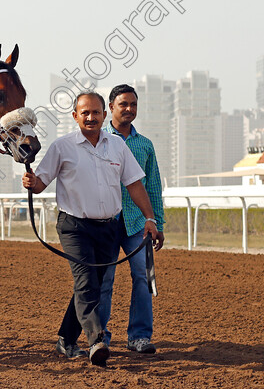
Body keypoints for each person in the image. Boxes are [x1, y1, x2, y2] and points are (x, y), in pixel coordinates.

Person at [22, 92, 164, 367]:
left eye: (95, 112)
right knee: (87, 282)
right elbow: (41, 183)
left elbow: (135, 184)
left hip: (108, 227)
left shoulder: (118, 147)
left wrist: (151, 218)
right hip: (74, 226)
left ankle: (65, 339)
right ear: (75, 116)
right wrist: (32, 182)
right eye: (84, 113)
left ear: (103, 114)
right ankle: (95, 340)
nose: (90, 117)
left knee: (93, 286)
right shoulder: (62, 146)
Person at [99, 84, 165, 353]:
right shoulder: (98, 139)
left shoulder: (145, 144)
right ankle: (99, 336)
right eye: (123, 104)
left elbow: (153, 187)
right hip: (105, 223)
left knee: (145, 278)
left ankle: (140, 337)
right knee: (104, 280)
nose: (129, 109)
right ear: (111, 107)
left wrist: (156, 222)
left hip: (138, 225)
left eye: (133, 105)